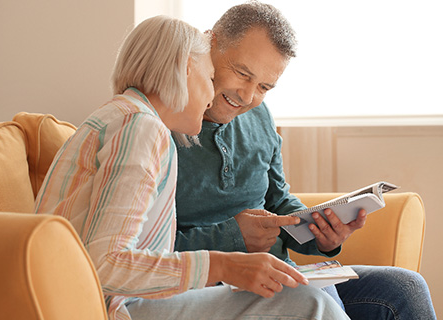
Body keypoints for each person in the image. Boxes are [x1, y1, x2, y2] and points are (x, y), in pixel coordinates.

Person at [34, 15, 350, 320]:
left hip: (122, 294)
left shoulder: (128, 118)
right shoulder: (141, 127)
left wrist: (318, 230)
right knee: (311, 304)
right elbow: (103, 265)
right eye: (210, 77)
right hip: (114, 303)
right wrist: (222, 264)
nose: (212, 99)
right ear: (186, 70)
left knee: (384, 288)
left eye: (264, 87)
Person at [174, 2, 437, 319]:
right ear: (210, 41)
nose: (247, 96)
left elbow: (278, 200)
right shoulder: (160, 125)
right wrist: (233, 236)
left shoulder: (259, 116)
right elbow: (140, 252)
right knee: (312, 295)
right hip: (210, 289)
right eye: (242, 73)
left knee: (404, 287)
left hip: (280, 276)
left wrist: (320, 232)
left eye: (264, 87)